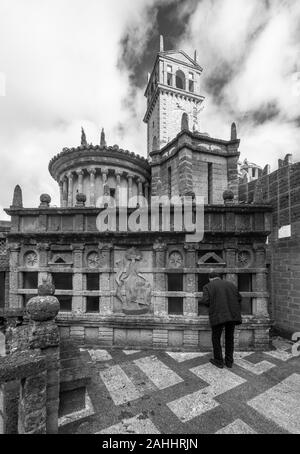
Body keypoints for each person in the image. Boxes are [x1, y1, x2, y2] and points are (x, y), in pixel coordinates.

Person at [199, 272, 242, 369]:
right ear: (219, 277)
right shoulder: (231, 285)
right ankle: (229, 362)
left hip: (218, 315)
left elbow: (206, 300)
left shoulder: (208, 286)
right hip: (232, 315)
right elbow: (239, 298)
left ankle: (218, 361)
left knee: (216, 338)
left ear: (210, 278)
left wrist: (200, 301)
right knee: (229, 338)